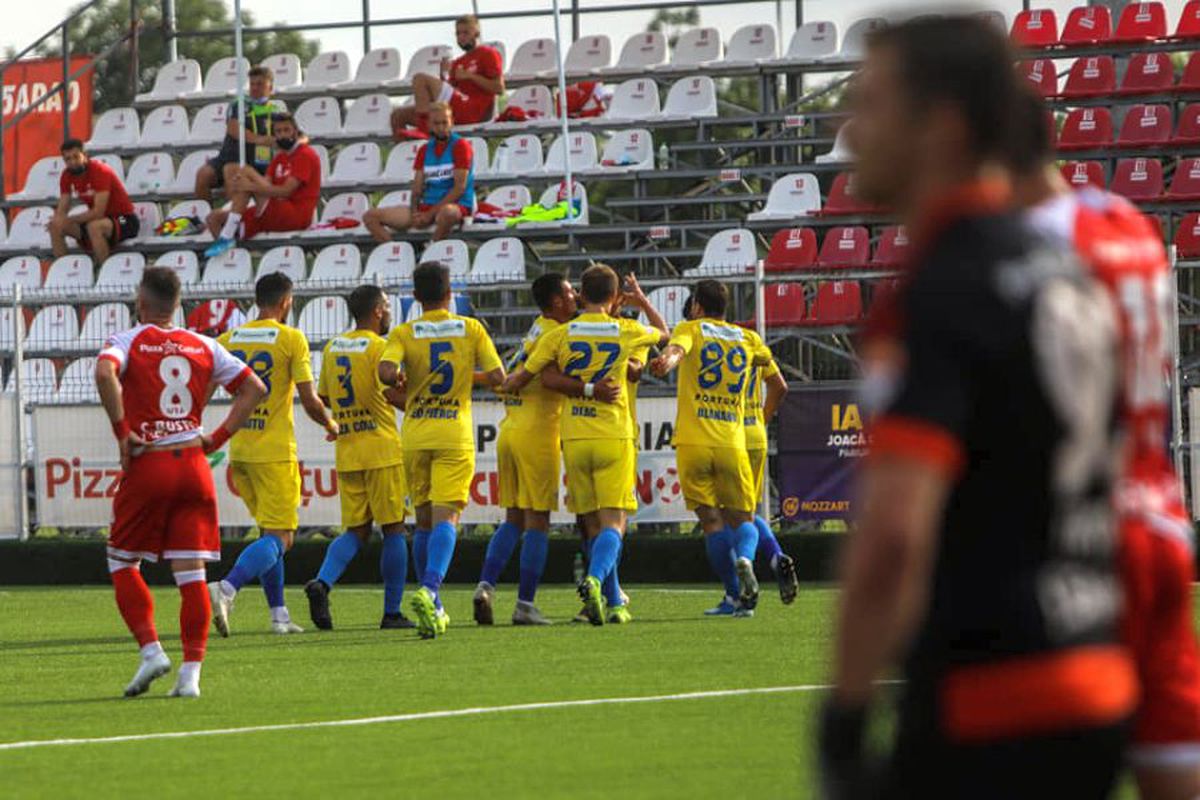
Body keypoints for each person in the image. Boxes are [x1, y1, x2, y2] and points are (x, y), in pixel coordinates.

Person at [819, 16, 1134, 798]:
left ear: (944, 124)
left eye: (871, 103)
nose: (848, 128)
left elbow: (893, 535)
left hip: (988, 699)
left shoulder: (942, 291)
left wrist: (844, 723)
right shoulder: (1068, 271)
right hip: (1094, 668)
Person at [1009, 89, 1200, 800]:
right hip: (1158, 513)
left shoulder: (1032, 244)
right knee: (1173, 751)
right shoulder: (1128, 222)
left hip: (1083, 536)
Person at [95, 267, 265, 698]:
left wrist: (121, 433)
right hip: (193, 464)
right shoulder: (205, 344)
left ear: (140, 302)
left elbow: (103, 374)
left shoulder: (129, 340)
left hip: (149, 462)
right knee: (192, 574)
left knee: (122, 562)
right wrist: (217, 437)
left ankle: (152, 650)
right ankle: (190, 677)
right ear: (179, 303)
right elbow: (255, 389)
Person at [501, 265, 668, 626]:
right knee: (614, 524)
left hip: (574, 437)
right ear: (612, 297)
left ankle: (613, 603)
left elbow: (527, 375)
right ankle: (594, 582)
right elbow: (665, 335)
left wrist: (503, 382)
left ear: (582, 293)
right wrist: (641, 301)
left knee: (591, 525)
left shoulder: (561, 333)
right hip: (613, 434)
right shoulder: (627, 330)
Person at [208, 273, 340, 637]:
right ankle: (226, 587)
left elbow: (204, 387)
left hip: (241, 450)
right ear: (286, 302)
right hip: (275, 452)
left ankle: (279, 615)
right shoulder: (291, 338)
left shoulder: (228, 339)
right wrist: (331, 425)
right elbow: (310, 400)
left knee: (269, 532)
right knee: (281, 538)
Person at [378, 261, 506, 639]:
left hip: (416, 434)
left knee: (423, 522)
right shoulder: (471, 328)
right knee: (447, 519)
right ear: (452, 294)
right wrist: (467, 372)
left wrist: (400, 375)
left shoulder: (404, 330)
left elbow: (386, 374)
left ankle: (433, 610)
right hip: (454, 434)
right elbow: (498, 378)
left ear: (416, 297)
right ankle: (430, 589)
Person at [649, 280, 774, 617]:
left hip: (694, 441)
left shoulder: (691, 328)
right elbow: (767, 361)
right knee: (743, 518)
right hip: (732, 442)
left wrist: (666, 361)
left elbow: (677, 351)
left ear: (698, 307)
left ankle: (733, 596)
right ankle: (747, 559)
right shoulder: (749, 338)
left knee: (711, 522)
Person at [473, 273, 590, 626]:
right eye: (570, 293)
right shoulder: (556, 335)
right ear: (556, 301)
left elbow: (512, 377)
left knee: (513, 518)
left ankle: (485, 586)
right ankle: (525, 604)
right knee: (538, 520)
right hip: (538, 433)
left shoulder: (537, 328)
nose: (575, 297)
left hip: (510, 428)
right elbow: (547, 378)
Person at [305, 284, 413, 631]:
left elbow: (324, 396)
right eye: (386, 306)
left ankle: (322, 582)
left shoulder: (335, 346)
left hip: (348, 449)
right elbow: (396, 395)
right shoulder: (380, 348)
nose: (389, 312)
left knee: (356, 530)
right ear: (378, 311)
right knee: (394, 529)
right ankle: (392, 612)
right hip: (381, 449)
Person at [205, 113, 321, 257]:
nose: (283, 135)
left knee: (246, 171)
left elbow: (286, 192)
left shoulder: (305, 154)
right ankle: (229, 259)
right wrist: (245, 187)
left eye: (287, 130)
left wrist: (250, 187)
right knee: (213, 218)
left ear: (295, 132)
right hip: (274, 210)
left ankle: (227, 236)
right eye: (279, 132)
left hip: (295, 215)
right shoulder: (280, 157)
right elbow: (266, 184)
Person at [364, 103, 474, 243]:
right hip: (427, 206)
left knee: (448, 213)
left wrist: (429, 214)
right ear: (429, 124)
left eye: (444, 122)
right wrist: (416, 212)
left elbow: (459, 188)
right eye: (436, 123)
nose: (441, 127)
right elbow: (417, 188)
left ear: (451, 121)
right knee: (371, 217)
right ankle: (399, 255)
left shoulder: (460, 146)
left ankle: (430, 250)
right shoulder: (425, 150)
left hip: (456, 205)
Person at [390, 14, 503, 133]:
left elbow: (499, 88)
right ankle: (417, 150)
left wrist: (470, 76)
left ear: (476, 33)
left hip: (473, 110)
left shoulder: (488, 53)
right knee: (397, 116)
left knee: (420, 79)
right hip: (454, 109)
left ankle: (424, 132)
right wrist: (443, 75)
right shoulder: (458, 62)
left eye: (465, 33)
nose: (461, 37)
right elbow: (449, 93)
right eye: (458, 34)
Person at [194, 65, 277, 203]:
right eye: (252, 84)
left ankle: (232, 219)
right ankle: (207, 217)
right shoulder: (239, 104)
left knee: (232, 173)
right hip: (229, 157)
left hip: (257, 163)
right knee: (203, 175)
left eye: (260, 84)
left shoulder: (276, 111)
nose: (255, 88)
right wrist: (260, 139)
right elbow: (233, 129)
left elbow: (297, 135)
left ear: (270, 88)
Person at [49, 138, 138, 264]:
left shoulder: (100, 171)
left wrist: (68, 219)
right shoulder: (66, 175)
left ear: (85, 155)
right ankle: (62, 273)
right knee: (55, 226)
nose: (72, 162)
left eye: (76, 157)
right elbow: (63, 207)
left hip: (124, 219)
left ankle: (105, 276)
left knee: (94, 227)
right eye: (68, 159)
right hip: (99, 220)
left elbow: (98, 212)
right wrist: (58, 219)